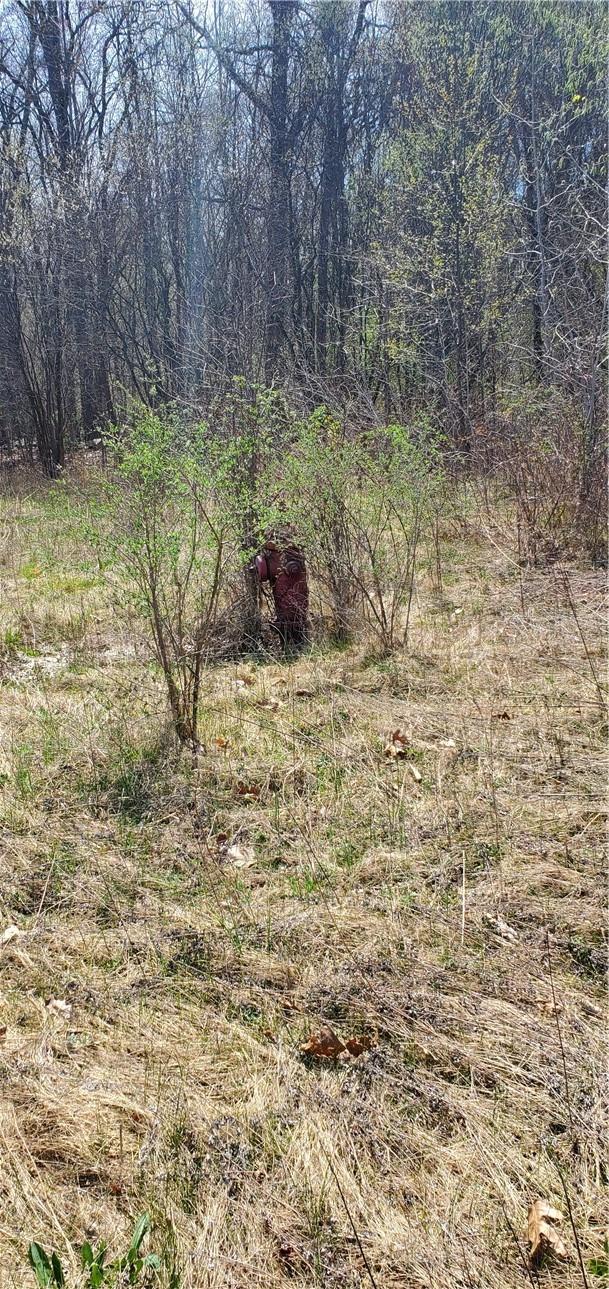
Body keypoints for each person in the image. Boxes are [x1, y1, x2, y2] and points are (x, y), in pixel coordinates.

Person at [253, 528, 309, 652]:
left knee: (291, 609)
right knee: (289, 607)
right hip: (288, 574)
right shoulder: (282, 554)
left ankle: (293, 644)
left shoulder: (287, 558)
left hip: (290, 570)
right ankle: (293, 644)